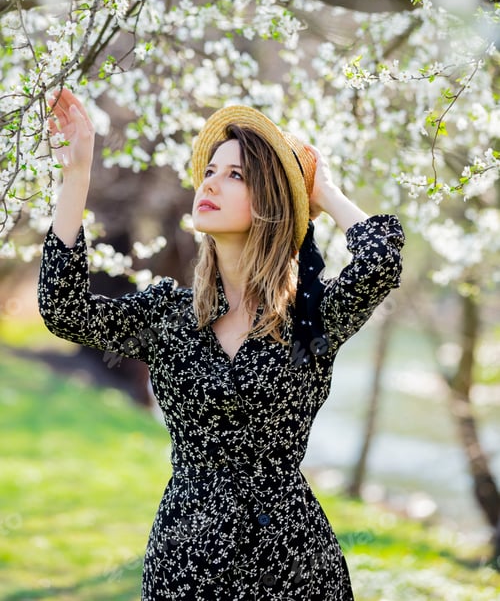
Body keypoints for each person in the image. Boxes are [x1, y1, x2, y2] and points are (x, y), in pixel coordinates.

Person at [38, 88, 405, 600]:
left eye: (236, 175)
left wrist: (323, 194)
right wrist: (76, 172)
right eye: (210, 171)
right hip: (185, 563)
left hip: (293, 567)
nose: (211, 182)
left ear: (270, 204)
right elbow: (63, 308)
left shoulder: (310, 317)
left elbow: (382, 261)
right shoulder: (167, 315)